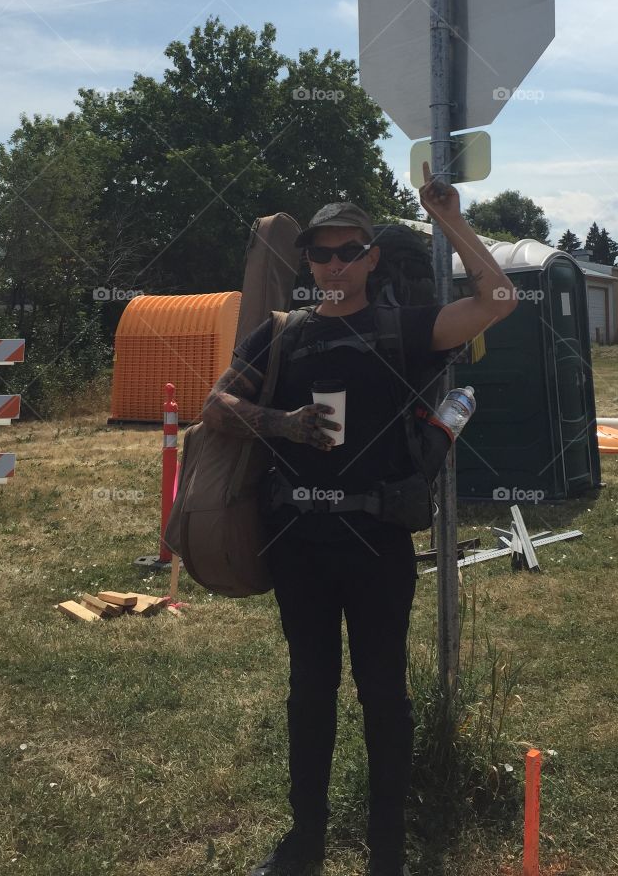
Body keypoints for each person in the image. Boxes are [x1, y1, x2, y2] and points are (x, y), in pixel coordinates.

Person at [202, 167, 518, 876]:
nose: (335, 264)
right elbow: (214, 408)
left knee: (384, 695)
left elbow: (498, 299)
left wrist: (450, 222)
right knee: (309, 690)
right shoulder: (280, 335)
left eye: (350, 251)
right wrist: (278, 422)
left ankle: (387, 855)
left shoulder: (405, 330)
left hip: (377, 545)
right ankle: (304, 843)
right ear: (308, 261)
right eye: (322, 253)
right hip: (299, 546)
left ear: (372, 258)